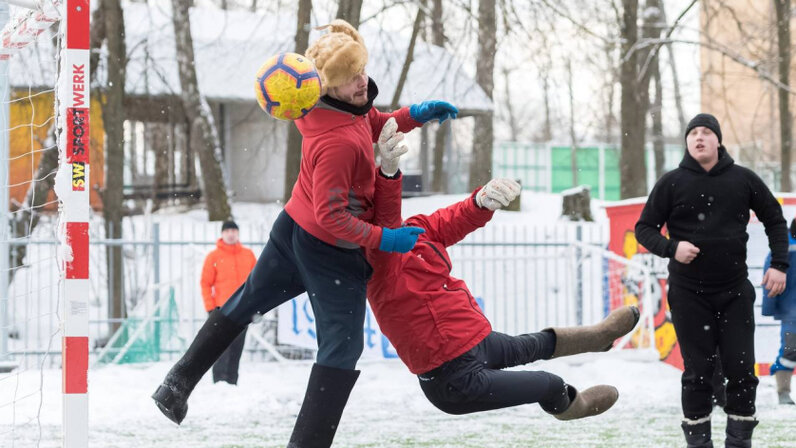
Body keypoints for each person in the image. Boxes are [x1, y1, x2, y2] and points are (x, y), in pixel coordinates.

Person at [152, 19, 459, 448]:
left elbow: (371, 123)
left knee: (244, 303)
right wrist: (383, 239)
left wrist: (415, 115)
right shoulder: (335, 144)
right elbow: (333, 216)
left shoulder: (337, 109)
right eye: (351, 77)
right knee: (342, 349)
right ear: (326, 87)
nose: (362, 81)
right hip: (331, 250)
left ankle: (176, 383)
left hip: (293, 227)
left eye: (361, 69)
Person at [365, 138, 639, 420]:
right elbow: (384, 217)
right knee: (550, 383)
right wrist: (387, 175)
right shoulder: (376, 256)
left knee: (537, 343)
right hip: (454, 379)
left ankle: (598, 337)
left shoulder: (414, 230)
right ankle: (573, 407)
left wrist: (480, 202)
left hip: (477, 342)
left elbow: (449, 220)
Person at [635, 113, 789, 447]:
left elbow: (776, 220)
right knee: (697, 374)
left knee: (742, 371)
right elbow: (644, 229)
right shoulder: (672, 182)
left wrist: (779, 264)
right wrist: (671, 248)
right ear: (687, 142)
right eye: (693, 133)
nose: (699, 138)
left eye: (706, 132)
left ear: (718, 140)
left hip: (734, 291)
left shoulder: (743, 179)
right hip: (690, 294)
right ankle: (699, 443)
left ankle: (738, 442)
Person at [199, 220, 257, 385]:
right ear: (222, 234)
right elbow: (205, 283)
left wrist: (254, 305)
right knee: (219, 349)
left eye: (234, 231)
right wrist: (210, 308)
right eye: (227, 231)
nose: (231, 234)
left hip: (243, 309)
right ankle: (219, 382)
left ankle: (232, 381)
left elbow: (257, 281)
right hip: (222, 310)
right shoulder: (214, 256)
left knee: (237, 348)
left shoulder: (248, 255)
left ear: (238, 233)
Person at [762, 218, 796, 405]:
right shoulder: (786, 247)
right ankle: (783, 392)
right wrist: (770, 306)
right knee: (790, 349)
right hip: (791, 312)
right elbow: (771, 275)